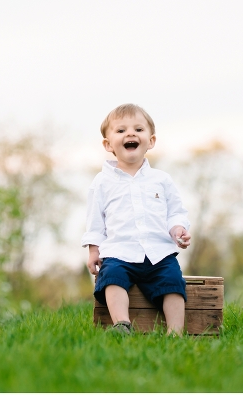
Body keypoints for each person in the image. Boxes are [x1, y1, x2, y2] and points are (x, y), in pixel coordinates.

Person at [82, 103, 191, 336]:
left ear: (150, 141)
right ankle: (122, 324)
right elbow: (95, 221)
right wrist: (93, 250)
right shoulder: (102, 182)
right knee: (111, 277)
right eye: (121, 131)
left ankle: (175, 331)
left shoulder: (161, 179)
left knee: (173, 282)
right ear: (108, 144)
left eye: (138, 129)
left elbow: (175, 211)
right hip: (119, 253)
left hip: (158, 252)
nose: (130, 134)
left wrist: (178, 229)